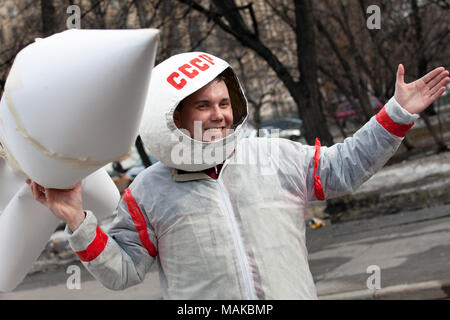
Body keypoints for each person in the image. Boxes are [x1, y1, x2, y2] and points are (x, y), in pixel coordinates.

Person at [27, 52, 450, 299]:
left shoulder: (274, 155)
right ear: (172, 115)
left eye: (224, 102)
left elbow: (345, 166)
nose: (219, 115)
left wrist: (396, 114)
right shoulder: (147, 191)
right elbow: (122, 271)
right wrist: (77, 222)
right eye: (202, 105)